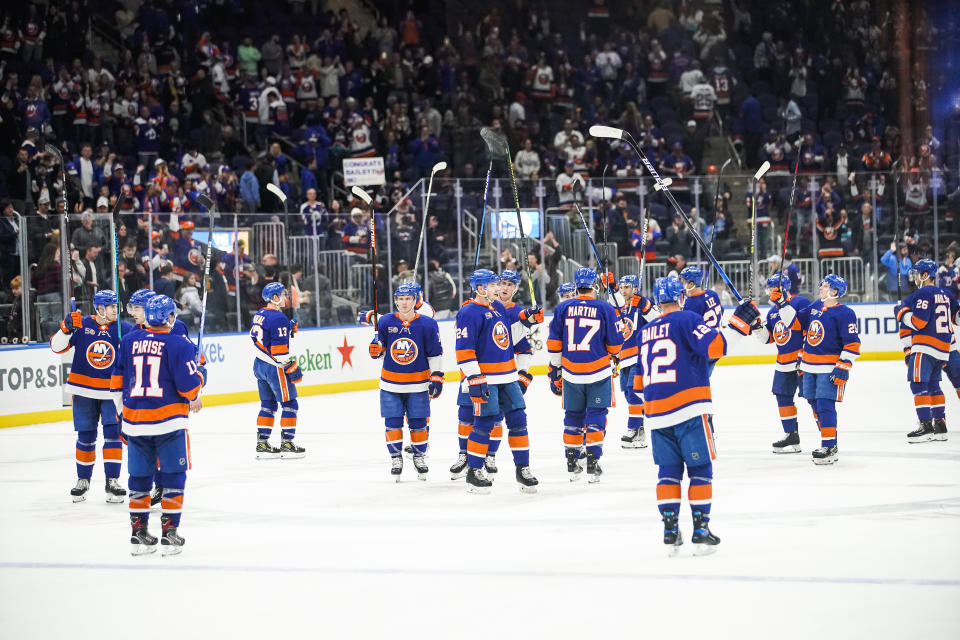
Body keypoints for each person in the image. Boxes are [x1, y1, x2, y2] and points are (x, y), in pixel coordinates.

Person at [636, 275, 761, 555]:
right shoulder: (686, 319)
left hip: (656, 414)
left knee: (667, 471)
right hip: (690, 409)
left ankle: (670, 529)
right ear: (681, 297)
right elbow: (716, 348)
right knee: (700, 469)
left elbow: (637, 380)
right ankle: (701, 532)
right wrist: (741, 323)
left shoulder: (645, 331)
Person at [113, 295, 206, 555]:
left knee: (138, 478)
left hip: (134, 422)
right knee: (174, 476)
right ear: (170, 318)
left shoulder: (129, 340)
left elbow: (117, 382)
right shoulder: (179, 344)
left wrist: (123, 418)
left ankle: (138, 535)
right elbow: (189, 388)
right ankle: (169, 534)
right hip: (168, 424)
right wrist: (199, 374)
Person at [453, 269, 538, 493]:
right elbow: (463, 350)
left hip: (508, 376)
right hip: (487, 379)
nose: (498, 289)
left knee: (519, 420)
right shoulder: (468, 313)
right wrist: (475, 376)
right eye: (492, 286)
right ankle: (474, 471)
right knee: (483, 424)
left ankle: (523, 469)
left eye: (497, 285)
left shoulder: (498, 307)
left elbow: (508, 338)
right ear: (480, 288)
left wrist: (528, 322)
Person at [49, 290, 135, 503]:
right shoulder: (82, 324)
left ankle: (112, 481)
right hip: (83, 391)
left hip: (111, 393)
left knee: (113, 436)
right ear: (100, 308)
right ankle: (83, 481)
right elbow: (56, 346)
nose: (117, 310)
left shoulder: (123, 328)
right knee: (85, 437)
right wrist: (66, 327)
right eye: (112, 306)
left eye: (117, 306)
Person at [547, 267, 624, 482]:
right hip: (598, 372)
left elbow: (554, 344)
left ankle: (572, 465)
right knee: (596, 417)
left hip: (571, 373)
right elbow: (616, 346)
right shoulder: (604, 308)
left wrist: (556, 369)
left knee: (573, 416)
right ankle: (592, 462)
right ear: (595, 286)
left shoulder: (563, 308)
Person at [775, 275, 861, 464]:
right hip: (808, 367)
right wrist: (781, 303)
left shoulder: (845, 313)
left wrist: (844, 366)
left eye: (825, 285)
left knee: (825, 405)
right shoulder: (815, 307)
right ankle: (829, 442)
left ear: (835, 291)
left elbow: (853, 344)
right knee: (814, 404)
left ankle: (829, 445)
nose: (820, 287)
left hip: (828, 368)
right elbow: (795, 323)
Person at [368, 282, 443, 480]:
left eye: (408, 299)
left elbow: (434, 353)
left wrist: (437, 375)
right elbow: (381, 349)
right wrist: (375, 351)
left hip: (418, 383)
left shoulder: (428, 324)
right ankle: (396, 458)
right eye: (400, 299)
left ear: (415, 300)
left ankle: (419, 456)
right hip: (390, 383)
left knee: (418, 423)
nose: (404, 303)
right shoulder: (384, 322)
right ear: (395, 301)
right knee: (392, 422)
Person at [473, 270, 543, 476]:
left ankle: (491, 455)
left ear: (516, 288)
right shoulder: (478, 308)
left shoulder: (514, 311)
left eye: (509, 284)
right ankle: (470, 458)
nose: (504, 288)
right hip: (480, 374)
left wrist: (522, 374)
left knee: (505, 419)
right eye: (500, 283)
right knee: (474, 420)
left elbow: (520, 347)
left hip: (505, 375)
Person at [895, 260, 957, 443]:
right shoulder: (945, 294)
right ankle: (940, 425)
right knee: (933, 385)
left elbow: (918, 323)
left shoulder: (923, 293)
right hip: (943, 348)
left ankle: (926, 426)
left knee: (917, 383)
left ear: (925, 275)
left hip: (925, 346)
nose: (914, 277)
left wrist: (901, 313)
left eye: (917, 273)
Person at [751, 272, 812, 453]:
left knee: (813, 399)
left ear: (783, 288)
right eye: (769, 289)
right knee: (782, 396)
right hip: (783, 362)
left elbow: (799, 324)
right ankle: (791, 435)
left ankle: (827, 439)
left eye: (773, 288)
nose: (770, 292)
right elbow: (768, 338)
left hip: (802, 359)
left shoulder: (800, 302)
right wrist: (756, 326)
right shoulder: (771, 312)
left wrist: (783, 304)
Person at [250, 282, 305, 459]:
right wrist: (290, 364)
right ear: (274, 298)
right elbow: (279, 352)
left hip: (259, 365)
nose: (285, 297)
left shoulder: (260, 314)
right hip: (275, 367)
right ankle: (287, 443)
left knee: (268, 404)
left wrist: (287, 328)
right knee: (290, 403)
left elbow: (260, 337)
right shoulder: (278, 318)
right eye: (282, 294)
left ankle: (262, 443)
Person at [616, 274, 658, 449]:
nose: (624, 290)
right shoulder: (622, 307)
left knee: (634, 392)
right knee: (627, 393)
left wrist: (644, 305)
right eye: (621, 287)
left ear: (635, 288)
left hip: (640, 355)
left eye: (627, 287)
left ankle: (632, 428)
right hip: (624, 357)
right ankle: (640, 430)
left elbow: (657, 318)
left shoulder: (643, 303)